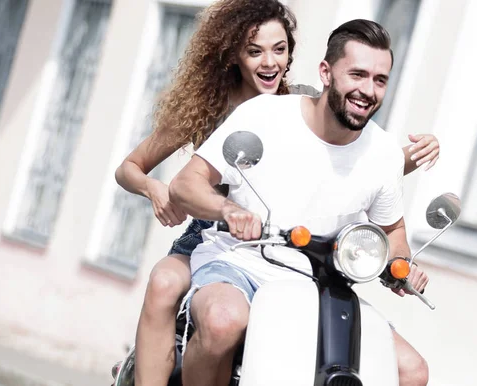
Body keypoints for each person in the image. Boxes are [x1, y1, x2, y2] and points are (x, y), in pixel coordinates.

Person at [114, 1, 437, 384]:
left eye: (380, 80)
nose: (368, 89)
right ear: (327, 73)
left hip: (319, 275)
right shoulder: (256, 114)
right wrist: (220, 209)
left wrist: (402, 267)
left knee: (413, 370)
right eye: (358, 75)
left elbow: (375, 204)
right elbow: (182, 182)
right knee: (200, 306)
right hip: (234, 246)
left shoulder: (377, 149)